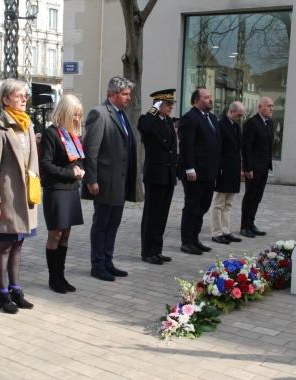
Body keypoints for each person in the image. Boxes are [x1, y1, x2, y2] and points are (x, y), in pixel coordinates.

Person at [0, 79, 38, 314]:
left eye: (25, 95)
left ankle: (16, 290)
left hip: (26, 196)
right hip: (8, 197)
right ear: (6, 99)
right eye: (19, 96)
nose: (24, 99)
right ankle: (2, 293)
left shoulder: (28, 125)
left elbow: (33, 162)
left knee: (18, 243)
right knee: (5, 244)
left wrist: (36, 188)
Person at [82, 76, 137, 281]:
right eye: (125, 94)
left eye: (129, 94)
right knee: (102, 223)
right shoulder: (99, 114)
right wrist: (91, 179)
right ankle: (97, 265)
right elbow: (91, 150)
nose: (128, 98)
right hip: (104, 181)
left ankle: (107, 261)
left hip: (120, 181)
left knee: (113, 223)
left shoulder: (123, 114)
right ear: (112, 94)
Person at [40, 94, 85, 293]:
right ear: (65, 113)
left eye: (78, 116)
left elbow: (77, 160)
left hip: (71, 189)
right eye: (74, 115)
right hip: (56, 190)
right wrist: (70, 173)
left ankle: (62, 275)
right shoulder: (51, 133)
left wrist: (80, 170)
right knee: (55, 234)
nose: (77, 119)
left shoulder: (73, 135)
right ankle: (53, 277)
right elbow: (46, 165)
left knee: (66, 234)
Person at [178, 88, 222, 255]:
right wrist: (190, 168)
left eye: (210, 96)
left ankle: (195, 239)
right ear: (196, 101)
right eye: (206, 97)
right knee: (192, 207)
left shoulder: (211, 118)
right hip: (195, 173)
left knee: (202, 207)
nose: (210, 99)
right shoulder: (190, 118)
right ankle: (186, 241)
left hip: (209, 172)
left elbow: (216, 144)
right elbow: (186, 145)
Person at [137, 89, 178, 265]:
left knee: (162, 215)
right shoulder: (149, 120)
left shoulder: (168, 121)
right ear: (158, 104)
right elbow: (143, 127)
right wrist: (153, 110)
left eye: (171, 104)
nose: (170, 107)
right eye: (167, 104)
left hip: (168, 174)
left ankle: (157, 250)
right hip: (155, 175)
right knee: (151, 215)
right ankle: (147, 251)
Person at [210, 101, 246, 245]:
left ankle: (225, 230)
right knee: (218, 203)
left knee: (228, 203)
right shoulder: (221, 126)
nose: (241, 118)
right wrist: (219, 167)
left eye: (242, 116)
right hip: (223, 169)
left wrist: (241, 167)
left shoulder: (236, 127)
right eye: (239, 115)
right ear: (231, 112)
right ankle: (216, 232)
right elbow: (217, 148)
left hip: (233, 169)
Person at [240, 97, 274, 238]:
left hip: (264, 167)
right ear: (259, 107)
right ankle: (245, 226)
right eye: (268, 106)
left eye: (272, 106)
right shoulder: (252, 123)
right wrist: (248, 168)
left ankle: (251, 223)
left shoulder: (269, 123)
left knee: (257, 197)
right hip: (253, 167)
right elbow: (246, 147)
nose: (271, 108)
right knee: (250, 196)